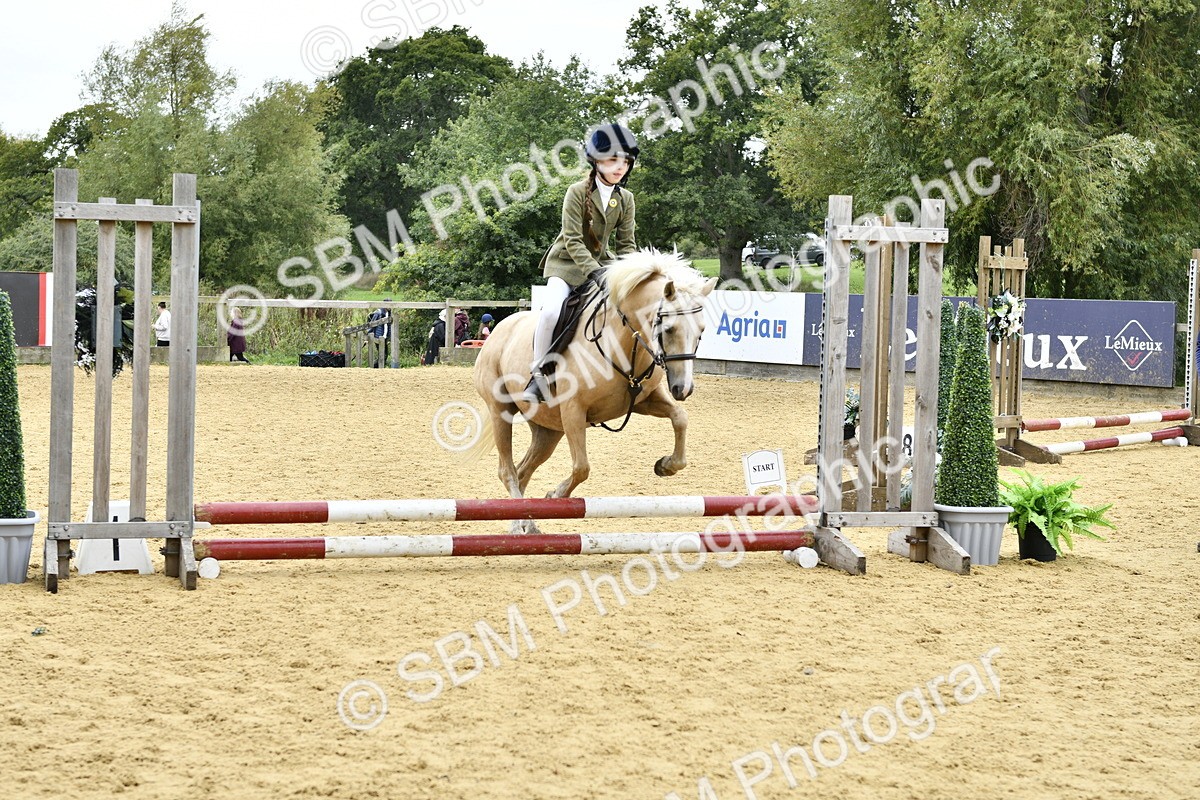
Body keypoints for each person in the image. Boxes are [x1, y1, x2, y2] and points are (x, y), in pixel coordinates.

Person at [521, 122, 639, 402]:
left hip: (603, 266)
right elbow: (573, 241)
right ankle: (538, 376)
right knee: (551, 313)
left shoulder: (626, 199)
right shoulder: (576, 192)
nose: (620, 166)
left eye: (625, 161)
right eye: (612, 160)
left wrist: (633, 274)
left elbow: (626, 245)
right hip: (567, 265)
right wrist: (595, 272)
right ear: (596, 162)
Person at [367, 301, 391, 368]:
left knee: (385, 355)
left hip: (384, 337)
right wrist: (368, 335)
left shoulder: (389, 313)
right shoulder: (378, 313)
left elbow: (388, 326)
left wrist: (389, 337)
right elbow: (372, 324)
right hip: (378, 336)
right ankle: (375, 367)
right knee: (382, 355)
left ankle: (377, 367)